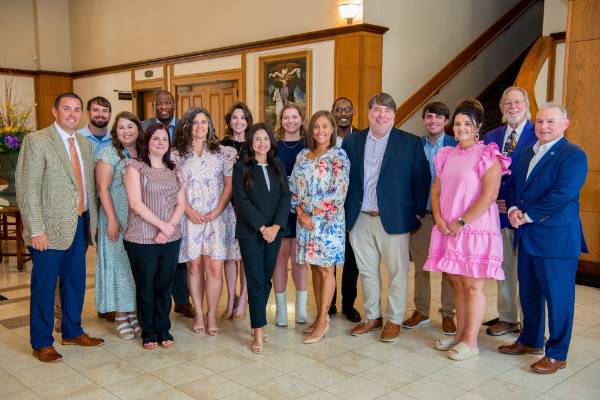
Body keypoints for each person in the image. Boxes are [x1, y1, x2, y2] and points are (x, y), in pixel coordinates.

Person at [499, 103, 588, 374]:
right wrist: (513, 209)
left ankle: (557, 353)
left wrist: (526, 215)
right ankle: (531, 339)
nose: (544, 127)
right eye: (539, 122)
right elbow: (513, 186)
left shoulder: (573, 155)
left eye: (550, 122)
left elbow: (564, 194)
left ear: (565, 124)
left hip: (556, 240)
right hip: (527, 237)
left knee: (558, 299)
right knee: (529, 293)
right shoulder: (526, 152)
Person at [16, 92, 104, 363]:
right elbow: (27, 188)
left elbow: (89, 187)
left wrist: (95, 223)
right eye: (67, 108)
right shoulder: (37, 140)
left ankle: (72, 331)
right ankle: (42, 342)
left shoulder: (85, 144)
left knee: (75, 284)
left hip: (80, 225)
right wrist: (36, 228)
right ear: (55, 111)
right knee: (43, 287)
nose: (73, 114)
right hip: (48, 229)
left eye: (77, 109)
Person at [424, 99, 510, 361]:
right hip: (447, 226)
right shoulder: (447, 154)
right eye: (458, 123)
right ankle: (460, 334)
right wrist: (438, 218)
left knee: (473, 286)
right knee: (458, 284)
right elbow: (436, 190)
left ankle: (471, 342)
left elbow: (488, 196)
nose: (461, 128)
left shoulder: (488, 155)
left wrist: (461, 222)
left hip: (474, 228)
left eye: (467, 124)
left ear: (478, 127)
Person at [343, 92, 430, 342]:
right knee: (367, 270)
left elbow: (422, 178)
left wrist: (416, 211)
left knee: (397, 272)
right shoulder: (353, 142)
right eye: (377, 110)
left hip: (394, 218)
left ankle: (393, 320)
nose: (381, 115)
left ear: (394, 116)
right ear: (369, 113)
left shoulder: (409, 143)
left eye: (387, 111)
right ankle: (372, 316)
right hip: (359, 217)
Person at [172, 108, 240, 336]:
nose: (200, 126)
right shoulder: (177, 155)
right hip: (189, 216)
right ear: (188, 126)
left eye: (204, 122)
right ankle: (199, 313)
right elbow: (175, 187)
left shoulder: (224, 152)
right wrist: (188, 211)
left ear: (210, 126)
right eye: (195, 123)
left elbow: (229, 185)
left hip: (217, 217)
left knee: (214, 267)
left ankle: (212, 314)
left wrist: (216, 210)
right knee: (194, 267)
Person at [123, 123, 186, 350]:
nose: (161, 143)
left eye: (164, 139)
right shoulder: (135, 167)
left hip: (170, 237)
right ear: (146, 142)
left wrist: (169, 228)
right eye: (156, 139)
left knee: (164, 285)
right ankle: (148, 331)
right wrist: (161, 227)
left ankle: (163, 328)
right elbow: (135, 203)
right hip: (142, 238)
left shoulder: (174, 168)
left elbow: (181, 203)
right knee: (146, 286)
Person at [290, 110, 350, 344]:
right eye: (316, 126)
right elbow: (293, 186)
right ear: (311, 130)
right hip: (305, 222)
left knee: (327, 270)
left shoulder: (339, 156)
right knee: (314, 269)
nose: (320, 131)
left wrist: (312, 212)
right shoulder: (303, 156)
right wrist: (301, 212)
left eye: (325, 126)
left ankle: (324, 320)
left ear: (332, 129)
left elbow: (339, 191)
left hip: (328, 222)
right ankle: (318, 317)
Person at [482, 87, 537, 336]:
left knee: (527, 271)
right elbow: (483, 172)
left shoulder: (538, 133)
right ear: (502, 108)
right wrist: (493, 200)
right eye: (507, 103)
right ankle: (507, 317)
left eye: (517, 102)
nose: (512, 107)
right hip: (499, 214)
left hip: (527, 216)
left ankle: (530, 324)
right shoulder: (492, 136)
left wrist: (518, 204)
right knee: (503, 268)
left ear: (526, 105)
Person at [232, 122, 290, 353]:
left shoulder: (278, 165)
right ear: (250, 142)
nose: (262, 143)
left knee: (266, 278)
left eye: (265, 139)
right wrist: (262, 227)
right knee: (255, 279)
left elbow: (285, 197)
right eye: (257, 139)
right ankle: (258, 329)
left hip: (274, 233)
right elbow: (241, 201)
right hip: (250, 233)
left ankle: (258, 321)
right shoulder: (241, 168)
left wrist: (275, 226)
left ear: (271, 142)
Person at [403, 102, 457, 335]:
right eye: (428, 117)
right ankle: (422, 310)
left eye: (438, 117)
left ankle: (448, 314)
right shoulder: (414, 146)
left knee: (449, 267)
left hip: (448, 218)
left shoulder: (457, 145)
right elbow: (406, 178)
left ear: (446, 121)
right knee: (421, 267)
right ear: (424, 120)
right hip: (422, 216)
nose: (433, 121)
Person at [141, 90, 192, 318]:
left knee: (178, 255)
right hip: (150, 194)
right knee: (152, 255)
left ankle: (181, 300)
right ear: (154, 105)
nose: (163, 105)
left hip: (178, 190)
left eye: (167, 102)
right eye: (159, 102)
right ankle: (151, 305)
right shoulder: (143, 127)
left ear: (174, 104)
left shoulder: (185, 126)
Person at [95, 111, 143, 340]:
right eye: (122, 127)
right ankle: (121, 315)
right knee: (119, 267)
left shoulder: (143, 153)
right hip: (116, 217)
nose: (126, 131)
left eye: (130, 126)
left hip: (138, 219)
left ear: (138, 129)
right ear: (116, 131)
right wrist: (112, 219)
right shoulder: (108, 154)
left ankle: (133, 313)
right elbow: (103, 189)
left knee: (134, 268)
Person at [273, 103, 308, 326]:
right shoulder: (273, 147)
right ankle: (281, 310)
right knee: (279, 259)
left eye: (294, 117)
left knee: (299, 260)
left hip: (302, 210)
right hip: (278, 209)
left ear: (301, 119)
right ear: (281, 120)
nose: (290, 121)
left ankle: (302, 309)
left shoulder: (308, 146)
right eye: (286, 117)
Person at [220, 102, 254, 323]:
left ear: (248, 121)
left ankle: (243, 299)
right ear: (229, 121)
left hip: (249, 207)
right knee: (230, 257)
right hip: (228, 208)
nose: (238, 121)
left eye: (242, 117)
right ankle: (230, 299)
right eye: (234, 117)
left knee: (246, 256)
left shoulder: (255, 144)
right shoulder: (221, 146)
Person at [328, 97, 361, 322]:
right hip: (328, 209)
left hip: (353, 206)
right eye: (338, 110)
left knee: (351, 260)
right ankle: (328, 303)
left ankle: (348, 304)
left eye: (347, 110)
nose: (343, 113)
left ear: (353, 112)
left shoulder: (362, 138)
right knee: (328, 258)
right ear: (333, 112)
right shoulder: (323, 137)